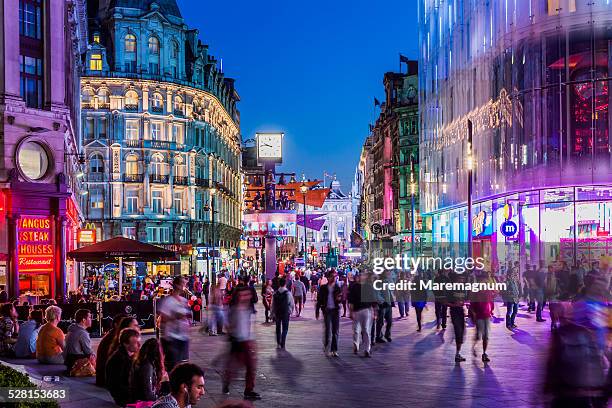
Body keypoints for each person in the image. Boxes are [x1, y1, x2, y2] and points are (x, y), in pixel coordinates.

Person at [223, 280, 261, 401]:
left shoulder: (249, 308)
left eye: (247, 294)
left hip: (246, 341)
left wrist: (252, 340)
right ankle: (227, 382)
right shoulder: (233, 310)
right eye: (243, 295)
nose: (246, 297)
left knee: (250, 366)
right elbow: (228, 324)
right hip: (237, 341)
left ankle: (248, 390)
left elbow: (250, 325)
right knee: (234, 367)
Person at [158, 276, 191, 372]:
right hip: (171, 338)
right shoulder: (168, 301)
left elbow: (185, 317)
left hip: (183, 337)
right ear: (177, 285)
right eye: (183, 284)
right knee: (173, 366)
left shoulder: (183, 300)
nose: (184, 287)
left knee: (183, 365)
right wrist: (176, 317)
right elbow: (163, 319)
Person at [106, 328, 141, 406]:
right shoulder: (119, 360)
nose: (139, 345)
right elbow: (117, 385)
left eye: (139, 342)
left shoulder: (128, 355)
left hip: (127, 395)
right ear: (125, 344)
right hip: (125, 398)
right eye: (136, 343)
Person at [130, 338, 169, 403]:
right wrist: (160, 398)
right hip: (143, 403)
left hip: (140, 400)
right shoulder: (147, 366)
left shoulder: (143, 362)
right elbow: (148, 395)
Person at [348, 272, 377, 357]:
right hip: (357, 310)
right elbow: (351, 301)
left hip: (367, 310)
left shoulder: (369, 287)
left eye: (362, 275)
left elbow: (373, 300)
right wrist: (351, 312)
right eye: (360, 275)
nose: (361, 277)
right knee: (356, 330)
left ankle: (367, 349)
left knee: (366, 330)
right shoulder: (354, 287)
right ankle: (356, 345)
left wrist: (375, 312)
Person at [96, 313, 127, 386]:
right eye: (125, 324)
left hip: (105, 377)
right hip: (108, 379)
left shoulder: (113, 335)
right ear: (116, 325)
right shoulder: (115, 338)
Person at [316, 270, 342, 357]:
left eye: (335, 276)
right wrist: (317, 310)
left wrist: (340, 299)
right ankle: (327, 347)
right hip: (327, 310)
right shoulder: (323, 288)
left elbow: (341, 298)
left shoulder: (337, 287)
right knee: (327, 330)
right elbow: (319, 299)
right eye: (332, 276)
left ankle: (334, 349)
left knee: (335, 331)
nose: (334, 278)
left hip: (335, 310)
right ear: (328, 277)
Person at [470, 276, 495, 363]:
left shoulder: (488, 292)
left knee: (486, 336)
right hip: (479, 316)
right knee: (478, 336)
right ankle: (474, 347)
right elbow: (472, 305)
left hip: (487, 316)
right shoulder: (476, 292)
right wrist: (474, 315)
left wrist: (491, 310)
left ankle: (484, 353)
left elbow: (491, 302)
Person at [63, 309, 94, 373]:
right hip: (77, 363)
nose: (91, 319)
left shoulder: (72, 328)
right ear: (83, 320)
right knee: (93, 356)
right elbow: (88, 352)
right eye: (90, 317)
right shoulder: (82, 333)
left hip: (68, 361)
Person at [447, 271, 468, 363]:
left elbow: (465, 300)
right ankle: (457, 353)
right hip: (454, 311)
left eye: (462, 279)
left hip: (461, 311)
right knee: (458, 332)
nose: (461, 280)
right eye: (460, 279)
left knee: (462, 332)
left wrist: (466, 304)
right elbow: (445, 302)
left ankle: (458, 353)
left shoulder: (463, 289)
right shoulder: (451, 289)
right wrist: (454, 305)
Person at [272, 277, 294, 349]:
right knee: (285, 329)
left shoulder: (275, 293)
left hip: (278, 312)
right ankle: (283, 343)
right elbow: (291, 304)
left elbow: (273, 304)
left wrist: (272, 313)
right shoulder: (288, 293)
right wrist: (291, 311)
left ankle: (278, 343)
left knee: (278, 328)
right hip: (285, 312)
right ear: (285, 284)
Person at [375, 271, 394, 343]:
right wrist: (382, 301)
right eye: (388, 273)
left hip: (388, 304)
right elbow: (377, 293)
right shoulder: (379, 282)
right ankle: (378, 336)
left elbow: (390, 291)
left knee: (389, 321)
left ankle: (387, 335)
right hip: (382, 305)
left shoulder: (388, 281)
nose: (389, 274)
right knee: (380, 322)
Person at [504, 262, 521, 330]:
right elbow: (505, 289)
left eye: (516, 273)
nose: (516, 274)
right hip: (510, 298)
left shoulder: (516, 281)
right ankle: (508, 324)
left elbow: (517, 289)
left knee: (515, 311)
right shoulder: (508, 281)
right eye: (514, 273)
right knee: (509, 311)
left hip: (516, 298)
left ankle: (512, 322)